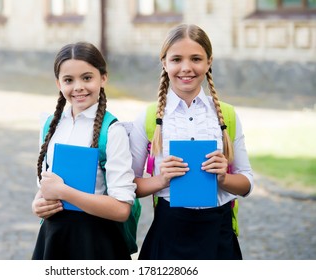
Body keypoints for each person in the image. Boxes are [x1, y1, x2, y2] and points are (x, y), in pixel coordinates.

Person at [129, 23, 254, 260]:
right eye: (176, 59)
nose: (186, 68)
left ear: (209, 62)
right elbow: (128, 185)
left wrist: (224, 177)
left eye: (196, 59)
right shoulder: (148, 118)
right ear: (164, 63)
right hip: (169, 231)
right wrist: (161, 179)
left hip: (218, 233)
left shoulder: (226, 115)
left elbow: (247, 182)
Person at [31, 42, 136, 260]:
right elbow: (47, 184)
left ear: (103, 78)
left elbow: (121, 209)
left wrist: (64, 192)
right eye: (69, 80)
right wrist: (38, 203)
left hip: (95, 240)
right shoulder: (50, 125)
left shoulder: (113, 131)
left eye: (87, 78)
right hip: (54, 237)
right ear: (58, 83)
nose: (78, 87)